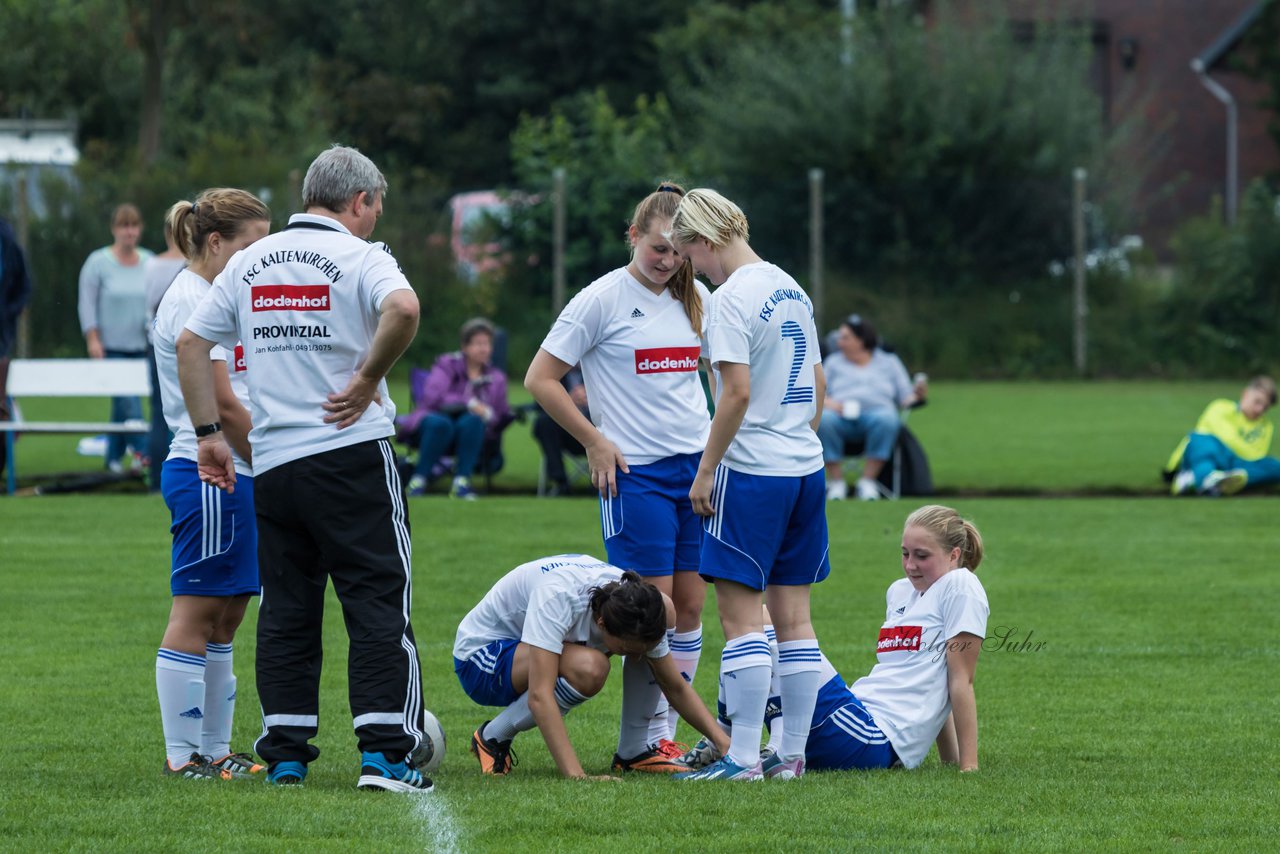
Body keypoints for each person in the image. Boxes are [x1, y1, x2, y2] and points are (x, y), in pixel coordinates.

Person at [176, 145, 430, 793]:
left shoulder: (250, 260)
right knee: (376, 600)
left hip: (276, 461)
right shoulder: (363, 256)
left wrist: (209, 435)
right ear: (360, 201)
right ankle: (385, 756)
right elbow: (404, 310)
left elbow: (191, 342)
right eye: (376, 205)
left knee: (288, 607)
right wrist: (368, 376)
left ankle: (286, 754)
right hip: (351, 454)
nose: (375, 217)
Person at [525, 182, 713, 755]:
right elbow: (540, 379)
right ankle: (639, 745)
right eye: (658, 248)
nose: (668, 261)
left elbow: (720, 374)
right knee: (653, 614)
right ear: (633, 236)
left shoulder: (697, 296)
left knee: (692, 609)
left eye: (679, 250)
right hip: (636, 476)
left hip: (697, 472)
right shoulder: (600, 299)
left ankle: (662, 739)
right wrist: (594, 441)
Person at [667, 188, 831, 781]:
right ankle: (790, 757)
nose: (691, 265)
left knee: (743, 619)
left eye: (689, 252)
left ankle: (742, 759)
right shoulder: (790, 285)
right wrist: (795, 437)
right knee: (795, 620)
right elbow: (817, 383)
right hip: (804, 469)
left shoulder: (731, 300)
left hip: (753, 474)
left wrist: (707, 468)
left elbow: (733, 393)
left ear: (706, 240)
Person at [151, 188, 271, 780]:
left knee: (227, 614)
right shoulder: (195, 300)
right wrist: (276, 465)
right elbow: (222, 403)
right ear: (216, 242)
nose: (260, 255)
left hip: (237, 470)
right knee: (197, 609)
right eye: (251, 244)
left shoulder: (224, 293)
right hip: (209, 471)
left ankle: (216, 751)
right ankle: (182, 755)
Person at [455, 553, 731, 779]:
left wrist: (725, 746)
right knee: (591, 667)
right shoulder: (558, 599)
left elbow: (673, 685)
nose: (636, 660)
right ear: (601, 624)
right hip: (481, 661)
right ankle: (491, 737)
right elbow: (540, 697)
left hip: (522, 650)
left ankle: (633, 752)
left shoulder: (629, 603)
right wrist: (578, 777)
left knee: (667, 606)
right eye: (626, 650)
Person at [397, 317, 513, 499]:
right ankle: (418, 480)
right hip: (434, 422)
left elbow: (501, 413)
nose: (484, 348)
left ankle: (461, 483)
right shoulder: (446, 364)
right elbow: (433, 397)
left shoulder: (496, 377)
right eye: (478, 343)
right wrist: (470, 402)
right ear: (465, 346)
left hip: (470, 433)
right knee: (442, 424)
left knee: (474, 421)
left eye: (487, 343)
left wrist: (489, 414)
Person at [78, 203, 155, 472]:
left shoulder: (150, 262)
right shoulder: (97, 263)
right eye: (124, 225)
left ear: (140, 229)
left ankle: (112, 459)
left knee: (121, 409)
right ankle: (147, 454)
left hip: (143, 346)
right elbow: (86, 304)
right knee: (128, 402)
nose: (129, 232)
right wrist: (92, 338)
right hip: (112, 347)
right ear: (114, 229)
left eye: (134, 225)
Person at [819, 314, 927, 502]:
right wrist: (832, 404)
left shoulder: (889, 362)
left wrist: (918, 395)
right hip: (839, 418)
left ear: (861, 341)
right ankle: (836, 482)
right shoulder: (833, 362)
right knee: (824, 418)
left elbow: (905, 397)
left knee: (887, 418)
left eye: (845, 338)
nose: (839, 342)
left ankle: (868, 481)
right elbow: (819, 394)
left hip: (877, 418)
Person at [1166, 376, 1280, 496]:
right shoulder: (1220, 407)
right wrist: (1235, 449)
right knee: (1202, 442)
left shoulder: (1265, 427)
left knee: (1274, 466)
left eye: (1265, 407)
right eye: (1257, 402)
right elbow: (1217, 439)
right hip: (1209, 456)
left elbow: (1255, 456)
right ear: (1245, 394)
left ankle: (1199, 480)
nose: (1260, 409)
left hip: (1236, 464)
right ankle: (1210, 480)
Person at [144, 214, 188, 492]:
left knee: (159, 413)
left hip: (157, 341)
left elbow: (147, 306)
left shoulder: (151, 264)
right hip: (189, 340)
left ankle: (155, 480)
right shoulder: (192, 267)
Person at [0, 215, 34, 484]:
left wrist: (7, 314)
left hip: (2, 333)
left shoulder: (7, 239)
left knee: (1, 406)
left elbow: (23, 286)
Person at [532, 365, 589, 496]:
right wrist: (566, 400)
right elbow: (538, 405)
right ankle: (560, 483)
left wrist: (591, 397)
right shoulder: (551, 373)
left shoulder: (598, 370)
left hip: (596, 432)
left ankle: (598, 485)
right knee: (544, 423)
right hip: (565, 435)